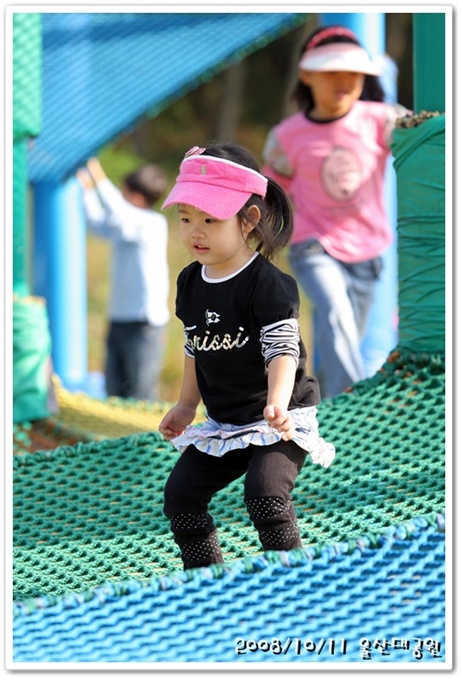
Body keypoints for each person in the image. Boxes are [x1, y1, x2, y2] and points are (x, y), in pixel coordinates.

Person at [159, 143, 335, 571]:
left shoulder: (267, 283)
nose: (195, 232)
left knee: (264, 493)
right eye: (185, 218)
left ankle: (289, 580)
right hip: (226, 422)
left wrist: (277, 402)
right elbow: (195, 345)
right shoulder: (190, 281)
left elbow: (282, 350)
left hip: (279, 418)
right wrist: (185, 404)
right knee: (180, 496)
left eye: (210, 220)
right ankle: (205, 579)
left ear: (249, 219)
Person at [262, 25, 411, 397]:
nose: (344, 81)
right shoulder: (287, 136)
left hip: (368, 252)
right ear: (307, 75)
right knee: (335, 312)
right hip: (313, 244)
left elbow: (425, 139)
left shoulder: (381, 119)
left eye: (353, 73)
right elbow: (269, 193)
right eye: (332, 72)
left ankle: (327, 409)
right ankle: (360, 402)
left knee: (340, 336)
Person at [77, 158, 170, 401]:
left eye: (123, 192)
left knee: (141, 392)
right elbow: (97, 223)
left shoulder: (151, 224)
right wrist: (88, 190)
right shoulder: (126, 224)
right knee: (114, 390)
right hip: (119, 318)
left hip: (144, 324)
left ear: (136, 198)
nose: (119, 196)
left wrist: (98, 175)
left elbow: (117, 210)